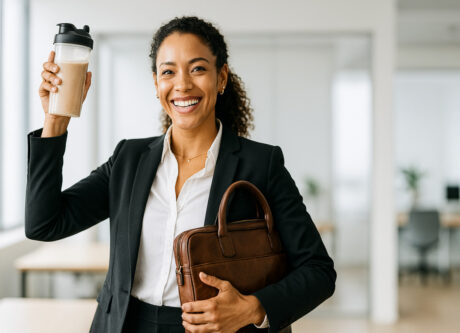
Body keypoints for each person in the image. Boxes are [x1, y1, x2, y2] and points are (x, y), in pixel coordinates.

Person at [27, 16, 336, 333]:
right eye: (168, 72)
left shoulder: (261, 164)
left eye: (198, 68)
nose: (183, 84)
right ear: (156, 83)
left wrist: (252, 310)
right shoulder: (128, 159)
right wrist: (56, 121)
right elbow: (44, 224)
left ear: (221, 77)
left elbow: (318, 271)